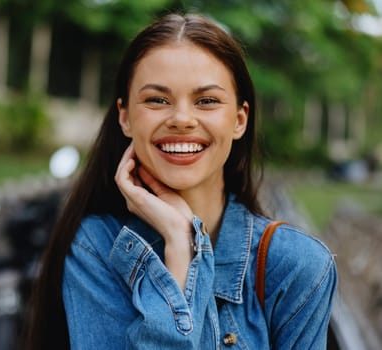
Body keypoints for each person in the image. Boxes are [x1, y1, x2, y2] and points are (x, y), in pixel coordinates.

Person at [26, 12, 337, 349]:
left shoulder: (296, 266)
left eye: (207, 101)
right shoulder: (98, 247)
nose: (182, 119)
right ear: (126, 117)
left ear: (239, 120)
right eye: (157, 100)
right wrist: (179, 246)